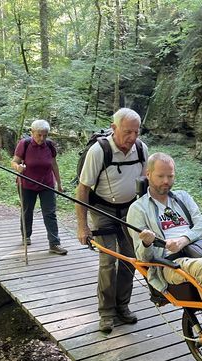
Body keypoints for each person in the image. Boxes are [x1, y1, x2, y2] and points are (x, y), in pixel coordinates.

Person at [126, 152, 202, 355]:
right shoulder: (138, 209)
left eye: (170, 176)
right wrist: (146, 243)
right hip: (170, 264)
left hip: (200, 249)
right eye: (161, 176)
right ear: (148, 174)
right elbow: (144, 258)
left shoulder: (182, 197)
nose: (166, 181)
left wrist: (183, 240)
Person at [76, 108, 149, 333]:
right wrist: (82, 226)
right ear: (114, 127)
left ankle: (122, 306)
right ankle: (106, 313)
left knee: (130, 259)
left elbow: (145, 185)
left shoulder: (141, 149)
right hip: (102, 210)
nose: (132, 137)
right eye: (127, 132)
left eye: (136, 132)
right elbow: (83, 190)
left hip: (130, 211)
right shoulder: (99, 151)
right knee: (108, 261)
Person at [11, 119, 67, 255]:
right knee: (27, 210)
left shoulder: (49, 145)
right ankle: (26, 236)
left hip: (46, 184)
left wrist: (59, 183)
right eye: (39, 135)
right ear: (32, 132)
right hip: (26, 184)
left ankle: (54, 244)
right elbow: (14, 161)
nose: (42, 138)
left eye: (45, 135)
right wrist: (18, 167)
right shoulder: (24, 144)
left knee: (50, 213)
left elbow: (54, 164)